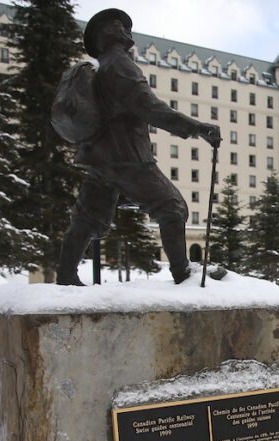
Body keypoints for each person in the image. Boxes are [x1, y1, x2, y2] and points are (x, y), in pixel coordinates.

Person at [56, 8, 221, 285]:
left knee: (87, 218)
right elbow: (149, 108)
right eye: (119, 25)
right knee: (172, 207)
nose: (126, 30)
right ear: (103, 34)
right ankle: (182, 273)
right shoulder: (119, 65)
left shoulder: (104, 67)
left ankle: (65, 275)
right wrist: (197, 128)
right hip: (126, 157)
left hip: (99, 158)